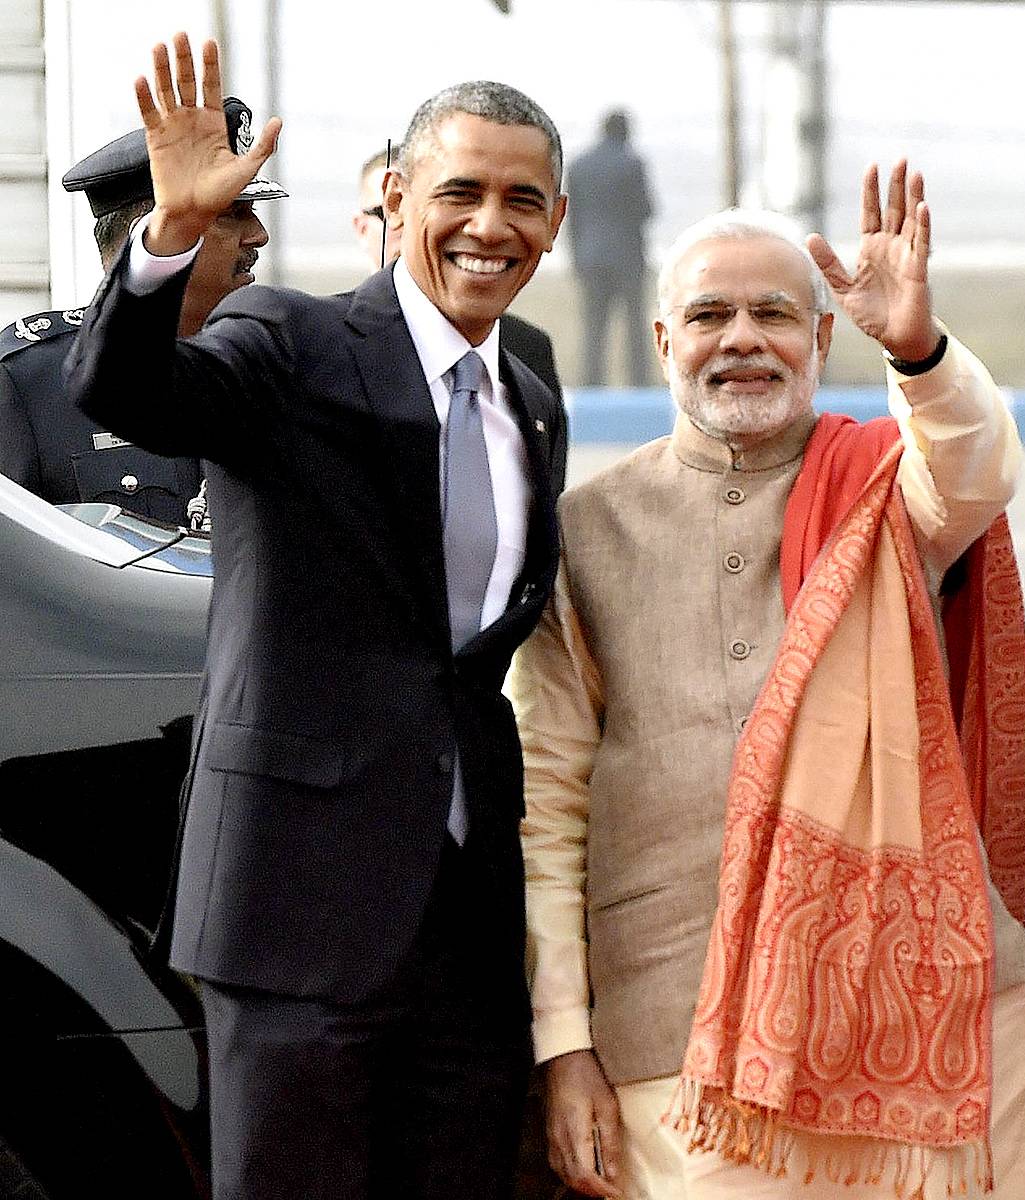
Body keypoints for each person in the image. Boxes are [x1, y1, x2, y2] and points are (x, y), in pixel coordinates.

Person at [511, 161, 1025, 1199]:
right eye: (710, 316)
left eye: (773, 314)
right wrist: (563, 1043)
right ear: (662, 342)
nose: (742, 339)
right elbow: (548, 800)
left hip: (930, 1018)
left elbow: (977, 467)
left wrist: (916, 348)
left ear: (821, 339)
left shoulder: (888, 487)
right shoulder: (585, 532)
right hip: (677, 1027)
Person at [62, 34, 569, 1200]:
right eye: (460, 192)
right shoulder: (292, 340)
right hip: (296, 908)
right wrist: (172, 235)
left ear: (555, 223)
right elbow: (126, 389)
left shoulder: (532, 397)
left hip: (465, 919)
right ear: (396, 198)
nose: (489, 225)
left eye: (521, 201)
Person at [0, 98, 280, 525]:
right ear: (157, 231)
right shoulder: (27, 382)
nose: (258, 235)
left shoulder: (271, 367)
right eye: (232, 214)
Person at [355, 145, 563, 400]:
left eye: (453, 201)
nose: (411, 225)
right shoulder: (324, 344)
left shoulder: (526, 348)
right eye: (388, 210)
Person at [565, 107, 653, 386]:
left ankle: (592, 384)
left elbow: (571, 217)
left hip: (590, 256)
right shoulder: (632, 163)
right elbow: (646, 209)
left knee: (594, 327)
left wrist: (575, 258)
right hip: (627, 256)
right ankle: (639, 384)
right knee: (634, 327)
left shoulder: (579, 165)